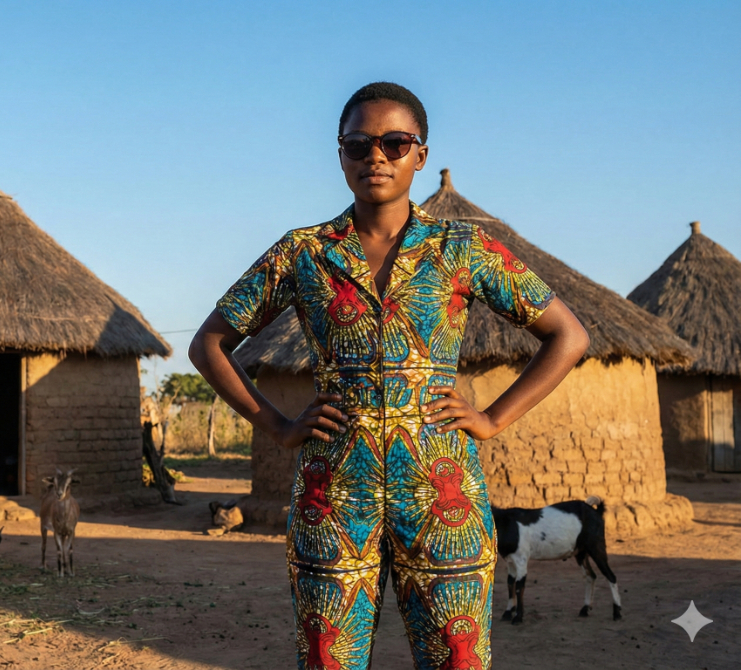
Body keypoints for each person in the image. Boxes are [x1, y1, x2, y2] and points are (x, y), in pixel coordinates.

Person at [188, 82, 589, 669]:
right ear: (341, 155)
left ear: (419, 155)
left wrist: (493, 417)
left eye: (395, 142)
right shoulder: (301, 253)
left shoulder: (463, 248)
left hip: (441, 494)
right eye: (358, 145)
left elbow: (568, 335)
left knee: (456, 660)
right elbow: (209, 344)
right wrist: (276, 426)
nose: (375, 156)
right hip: (334, 497)